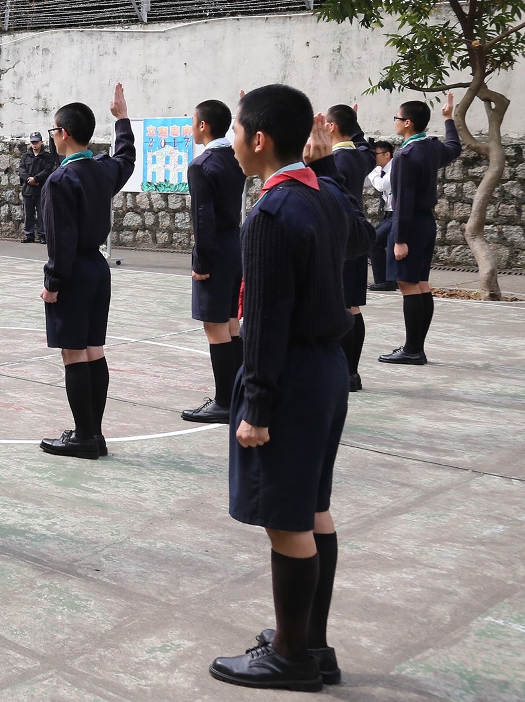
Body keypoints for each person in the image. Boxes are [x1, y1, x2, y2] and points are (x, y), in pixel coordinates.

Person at [208, 84, 374, 692]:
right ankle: (311, 643)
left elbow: (266, 323)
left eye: (238, 132)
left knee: (286, 519)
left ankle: (289, 658)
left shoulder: (273, 212)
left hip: (293, 378)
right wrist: (326, 162)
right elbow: (360, 234)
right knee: (314, 509)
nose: (232, 142)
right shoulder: (323, 194)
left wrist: (253, 407)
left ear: (259, 140)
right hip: (327, 371)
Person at [38, 86, 137, 459]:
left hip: (75, 270)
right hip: (98, 267)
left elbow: (61, 239)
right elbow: (126, 156)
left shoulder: (61, 180)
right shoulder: (101, 169)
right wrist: (122, 120)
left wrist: (53, 283)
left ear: (62, 133)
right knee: (94, 350)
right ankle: (94, 434)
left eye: (53, 130)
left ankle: (83, 436)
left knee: (73, 353)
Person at [379, 93, 461, 365]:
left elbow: (403, 201)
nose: (395, 122)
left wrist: (400, 239)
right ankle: (416, 347)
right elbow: (454, 147)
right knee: (422, 284)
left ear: (408, 123)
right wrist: (448, 119)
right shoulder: (431, 147)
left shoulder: (405, 155)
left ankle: (412, 349)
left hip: (410, 224)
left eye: (397, 118)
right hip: (426, 222)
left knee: (408, 285)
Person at [180, 99, 246, 424]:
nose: (192, 127)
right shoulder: (236, 157)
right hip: (235, 243)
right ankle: (240, 395)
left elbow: (202, 218)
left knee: (215, 325)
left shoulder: (202, 165)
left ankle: (225, 401)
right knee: (232, 321)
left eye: (194, 121)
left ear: (203, 125)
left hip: (216, 248)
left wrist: (201, 261)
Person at [326, 105, 376, 392]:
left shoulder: (335, 160)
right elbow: (363, 145)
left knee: (342, 307)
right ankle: (352, 373)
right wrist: (354, 123)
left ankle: (344, 372)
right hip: (356, 235)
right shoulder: (361, 156)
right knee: (353, 307)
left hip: (338, 238)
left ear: (332, 127)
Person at [19, 132, 59, 243]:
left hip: (41, 189)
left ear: (41, 142)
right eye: (33, 142)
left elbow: (48, 170)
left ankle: (43, 235)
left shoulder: (47, 157)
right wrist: (29, 180)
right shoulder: (25, 156)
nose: (35, 144)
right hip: (28, 190)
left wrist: (36, 179)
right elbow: (22, 170)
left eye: (36, 142)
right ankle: (29, 235)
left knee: (42, 214)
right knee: (28, 214)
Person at [367, 140, 396, 291]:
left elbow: (381, 185)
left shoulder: (395, 167)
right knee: (376, 242)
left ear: (387, 154)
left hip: (396, 214)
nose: (373, 157)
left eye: (375, 154)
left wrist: (372, 170)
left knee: (374, 241)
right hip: (388, 214)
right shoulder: (382, 170)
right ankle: (387, 280)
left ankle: (387, 281)